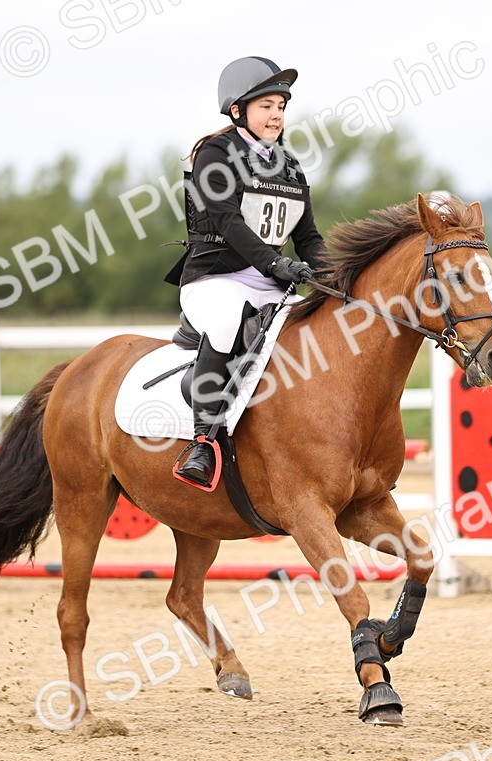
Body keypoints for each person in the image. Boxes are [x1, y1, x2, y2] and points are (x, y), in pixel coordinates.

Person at [165, 56, 330, 488]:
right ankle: (203, 442)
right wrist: (276, 263)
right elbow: (227, 222)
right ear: (238, 110)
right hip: (214, 280)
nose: (276, 114)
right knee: (224, 322)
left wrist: (334, 272)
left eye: (281, 106)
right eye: (266, 106)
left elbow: (308, 236)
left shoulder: (290, 166)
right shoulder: (214, 154)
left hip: (271, 282)